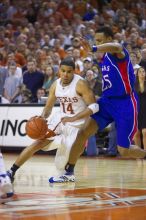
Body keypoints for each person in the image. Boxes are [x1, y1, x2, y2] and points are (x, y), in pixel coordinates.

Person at [49, 26, 146, 183]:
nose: (97, 43)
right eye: (96, 41)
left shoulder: (119, 52)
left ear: (108, 39)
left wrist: (94, 47)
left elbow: (116, 46)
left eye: (100, 40)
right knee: (83, 133)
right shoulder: (103, 58)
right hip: (107, 101)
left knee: (124, 150)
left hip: (126, 103)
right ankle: (69, 172)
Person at [7, 57, 98, 183]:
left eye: (69, 71)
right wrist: (42, 118)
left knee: (61, 164)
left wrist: (74, 118)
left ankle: (69, 172)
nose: (65, 74)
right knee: (38, 143)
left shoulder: (81, 84)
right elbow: (48, 108)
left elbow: (94, 106)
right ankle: (11, 171)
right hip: (60, 120)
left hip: (77, 124)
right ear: (59, 71)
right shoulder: (55, 85)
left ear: (74, 72)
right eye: (63, 71)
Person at [134, 66, 146, 149]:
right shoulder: (134, 85)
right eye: (140, 72)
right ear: (137, 74)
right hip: (136, 110)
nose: (142, 73)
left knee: (145, 132)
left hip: (145, 110)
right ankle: (139, 153)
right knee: (136, 133)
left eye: (143, 71)